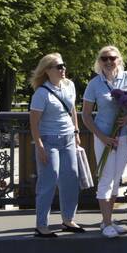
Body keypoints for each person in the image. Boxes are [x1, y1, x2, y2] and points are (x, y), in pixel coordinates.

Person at [82, 45, 127, 238]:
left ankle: (108, 220)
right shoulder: (94, 84)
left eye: (112, 58)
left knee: (117, 177)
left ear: (119, 59)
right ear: (99, 62)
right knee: (106, 177)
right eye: (104, 58)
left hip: (125, 134)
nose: (108, 62)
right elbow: (85, 115)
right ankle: (107, 222)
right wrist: (102, 137)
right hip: (104, 136)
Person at [28, 53, 83, 237]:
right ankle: (41, 224)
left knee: (71, 178)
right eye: (59, 67)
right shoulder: (41, 93)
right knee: (49, 180)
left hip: (68, 138)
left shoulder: (69, 86)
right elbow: (34, 123)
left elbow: (73, 109)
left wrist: (76, 131)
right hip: (49, 139)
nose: (63, 69)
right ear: (47, 70)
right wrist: (40, 146)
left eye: (63, 65)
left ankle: (68, 219)